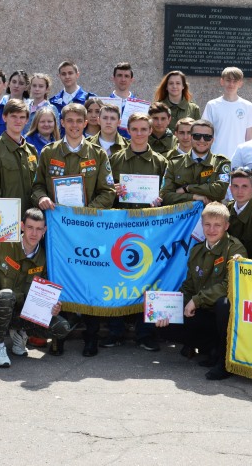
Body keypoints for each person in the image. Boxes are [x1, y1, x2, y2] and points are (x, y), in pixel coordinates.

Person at [31, 103, 115, 357]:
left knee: (89, 281)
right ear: (63, 123)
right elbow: (36, 187)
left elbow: (108, 191)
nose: (75, 125)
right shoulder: (49, 152)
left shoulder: (98, 154)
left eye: (80, 120)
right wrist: (42, 199)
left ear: (88, 122)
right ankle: (59, 336)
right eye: (70, 120)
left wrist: (88, 211)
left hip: (89, 230)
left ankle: (91, 337)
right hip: (59, 232)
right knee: (58, 279)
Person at [155, 202, 246, 381]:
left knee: (223, 304)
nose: (211, 230)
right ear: (202, 225)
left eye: (217, 225)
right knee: (157, 323)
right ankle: (211, 349)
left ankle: (224, 360)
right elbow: (189, 285)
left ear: (226, 226)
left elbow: (230, 284)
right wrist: (169, 309)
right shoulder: (197, 251)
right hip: (204, 314)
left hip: (225, 317)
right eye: (207, 225)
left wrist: (197, 300)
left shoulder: (235, 249)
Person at [104, 113, 168, 352]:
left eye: (144, 129)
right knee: (117, 279)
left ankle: (145, 334)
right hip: (120, 227)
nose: (139, 133)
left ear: (150, 131)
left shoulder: (161, 161)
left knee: (149, 280)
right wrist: (114, 190)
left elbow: (167, 194)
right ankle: (115, 330)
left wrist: (160, 200)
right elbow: (105, 188)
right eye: (135, 129)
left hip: (150, 229)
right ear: (127, 131)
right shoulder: (115, 158)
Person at [0, 208, 71, 367]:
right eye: (30, 227)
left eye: (39, 229)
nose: (34, 233)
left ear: (45, 230)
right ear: (22, 226)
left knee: (62, 327)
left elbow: (48, 292)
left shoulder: (47, 258)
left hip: (25, 312)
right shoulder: (3, 245)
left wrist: (54, 306)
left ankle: (21, 333)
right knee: (7, 295)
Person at [0, 99, 38, 212]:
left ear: (27, 120)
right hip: (5, 217)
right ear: (4, 117)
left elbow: (37, 186)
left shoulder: (31, 150)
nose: (18, 121)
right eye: (13, 116)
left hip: (30, 219)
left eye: (22, 117)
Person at [160, 120, 230, 206]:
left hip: (211, 217)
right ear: (191, 137)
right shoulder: (175, 163)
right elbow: (165, 196)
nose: (202, 140)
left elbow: (220, 192)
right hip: (182, 217)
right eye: (197, 136)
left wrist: (188, 188)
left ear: (212, 140)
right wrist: (193, 196)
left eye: (207, 137)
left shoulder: (221, 163)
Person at [201, 67, 252, 159]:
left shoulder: (248, 106)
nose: (231, 84)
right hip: (216, 156)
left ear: (240, 83)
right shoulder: (212, 105)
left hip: (239, 157)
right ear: (222, 81)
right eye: (228, 80)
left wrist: (249, 156)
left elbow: (249, 136)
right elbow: (206, 133)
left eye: (235, 81)